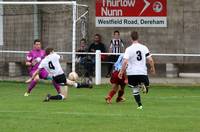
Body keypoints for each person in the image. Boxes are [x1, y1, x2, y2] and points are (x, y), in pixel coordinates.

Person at [118, 31, 156, 110]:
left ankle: (139, 105)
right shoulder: (144, 47)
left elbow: (125, 61)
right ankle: (143, 85)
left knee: (135, 89)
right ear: (138, 37)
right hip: (142, 71)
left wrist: (121, 72)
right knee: (147, 87)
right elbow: (150, 60)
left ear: (131, 38)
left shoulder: (128, 49)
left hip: (132, 72)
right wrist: (152, 68)